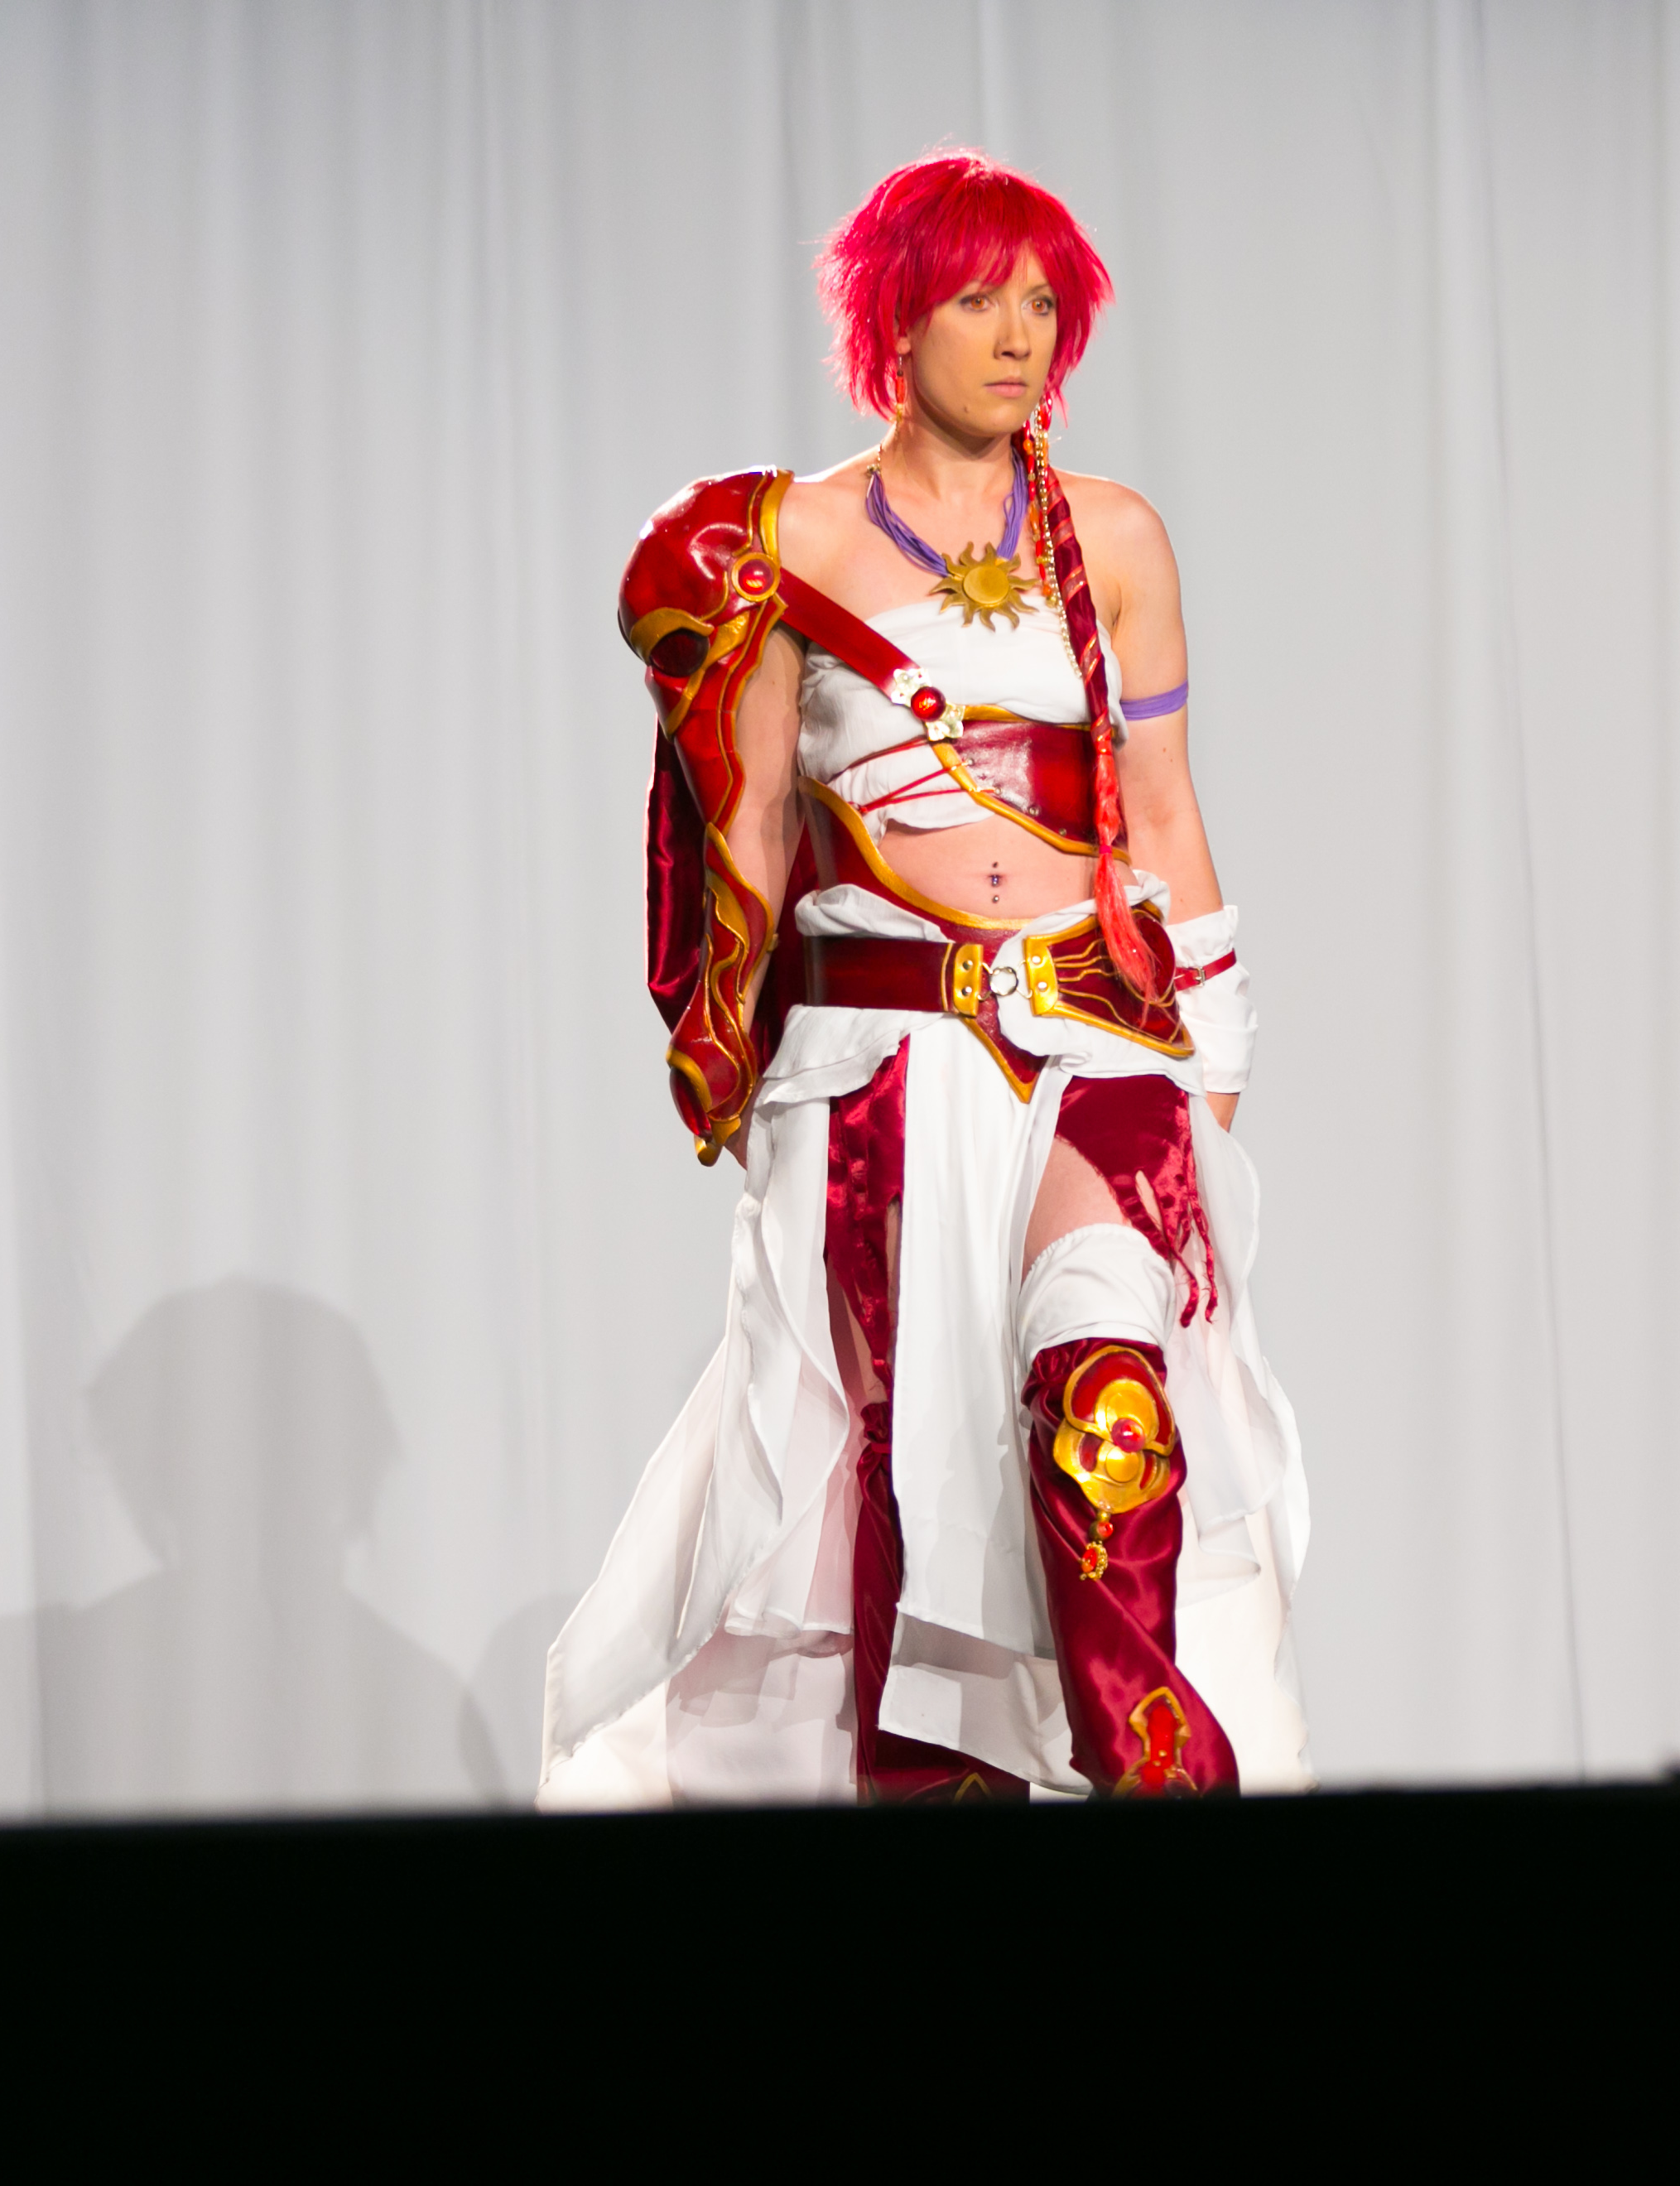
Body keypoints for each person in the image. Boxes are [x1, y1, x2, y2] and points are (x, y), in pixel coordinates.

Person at [540, 152, 1309, 1804]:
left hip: (1094, 1037)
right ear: (897, 316)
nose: (1021, 334)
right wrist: (734, 1061)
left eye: (1044, 301)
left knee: (1109, 1386)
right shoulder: (787, 544)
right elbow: (749, 829)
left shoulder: (1115, 537)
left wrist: (1217, 1065)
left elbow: (1165, 812)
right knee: (901, 1492)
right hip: (873, 1066)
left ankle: (1155, 1774)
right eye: (979, 296)